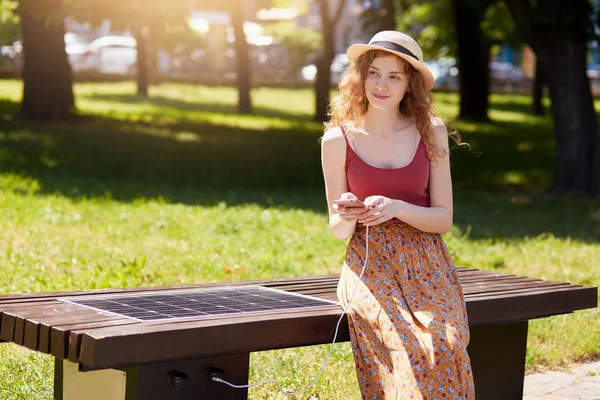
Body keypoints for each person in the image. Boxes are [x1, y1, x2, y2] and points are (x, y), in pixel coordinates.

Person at [320, 31, 475, 399]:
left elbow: (443, 219)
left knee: (445, 343)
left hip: (427, 263)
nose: (381, 85)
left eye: (394, 76)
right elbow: (339, 230)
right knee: (404, 347)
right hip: (369, 264)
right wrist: (347, 210)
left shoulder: (430, 132)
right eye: (374, 73)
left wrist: (397, 208)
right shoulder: (337, 140)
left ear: (410, 85)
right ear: (360, 76)